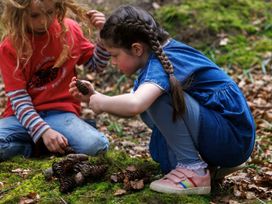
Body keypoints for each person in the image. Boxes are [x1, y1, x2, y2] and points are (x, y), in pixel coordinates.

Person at [69, 5, 255, 195]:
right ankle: (209, 165)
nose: (113, 62)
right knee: (161, 152)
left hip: (231, 138)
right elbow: (135, 104)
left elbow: (135, 104)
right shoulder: (165, 53)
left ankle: (193, 169)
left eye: (115, 55)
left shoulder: (160, 65)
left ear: (137, 48)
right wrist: (94, 96)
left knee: (156, 100)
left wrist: (102, 102)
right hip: (232, 137)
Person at [0, 0, 110, 161]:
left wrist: (104, 36)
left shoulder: (69, 29)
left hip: (60, 113)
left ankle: (56, 139)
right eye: (34, 15)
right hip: (21, 117)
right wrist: (43, 131)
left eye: (50, 13)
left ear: (58, 7)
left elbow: (96, 66)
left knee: (96, 146)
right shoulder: (10, 46)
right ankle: (36, 146)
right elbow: (19, 99)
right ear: (19, 13)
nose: (43, 21)